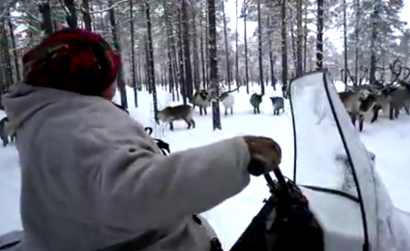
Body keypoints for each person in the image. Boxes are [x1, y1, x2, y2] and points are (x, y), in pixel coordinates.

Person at [2, 28, 282, 251]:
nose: (115, 85)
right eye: (112, 75)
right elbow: (138, 191)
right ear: (90, 78)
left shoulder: (51, 118)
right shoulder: (76, 126)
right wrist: (239, 154)